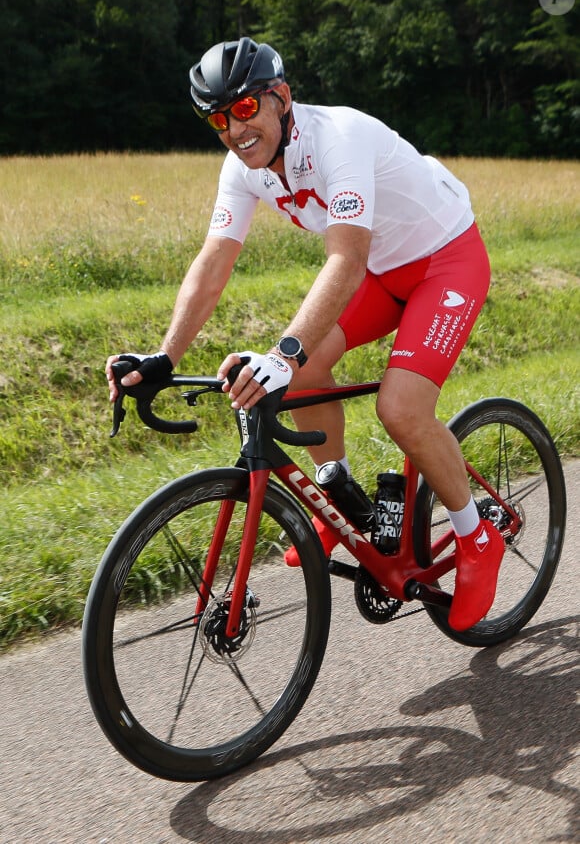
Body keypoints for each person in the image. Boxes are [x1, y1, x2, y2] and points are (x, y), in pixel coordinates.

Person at [106, 37, 505, 632]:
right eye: (219, 118)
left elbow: (344, 259)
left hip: (444, 259)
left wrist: (285, 352)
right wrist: (165, 355)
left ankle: (478, 538)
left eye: (245, 109)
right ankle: (337, 499)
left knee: (400, 407)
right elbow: (215, 260)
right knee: (298, 379)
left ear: (280, 99)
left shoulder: (337, 140)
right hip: (380, 272)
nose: (235, 129)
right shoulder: (243, 170)